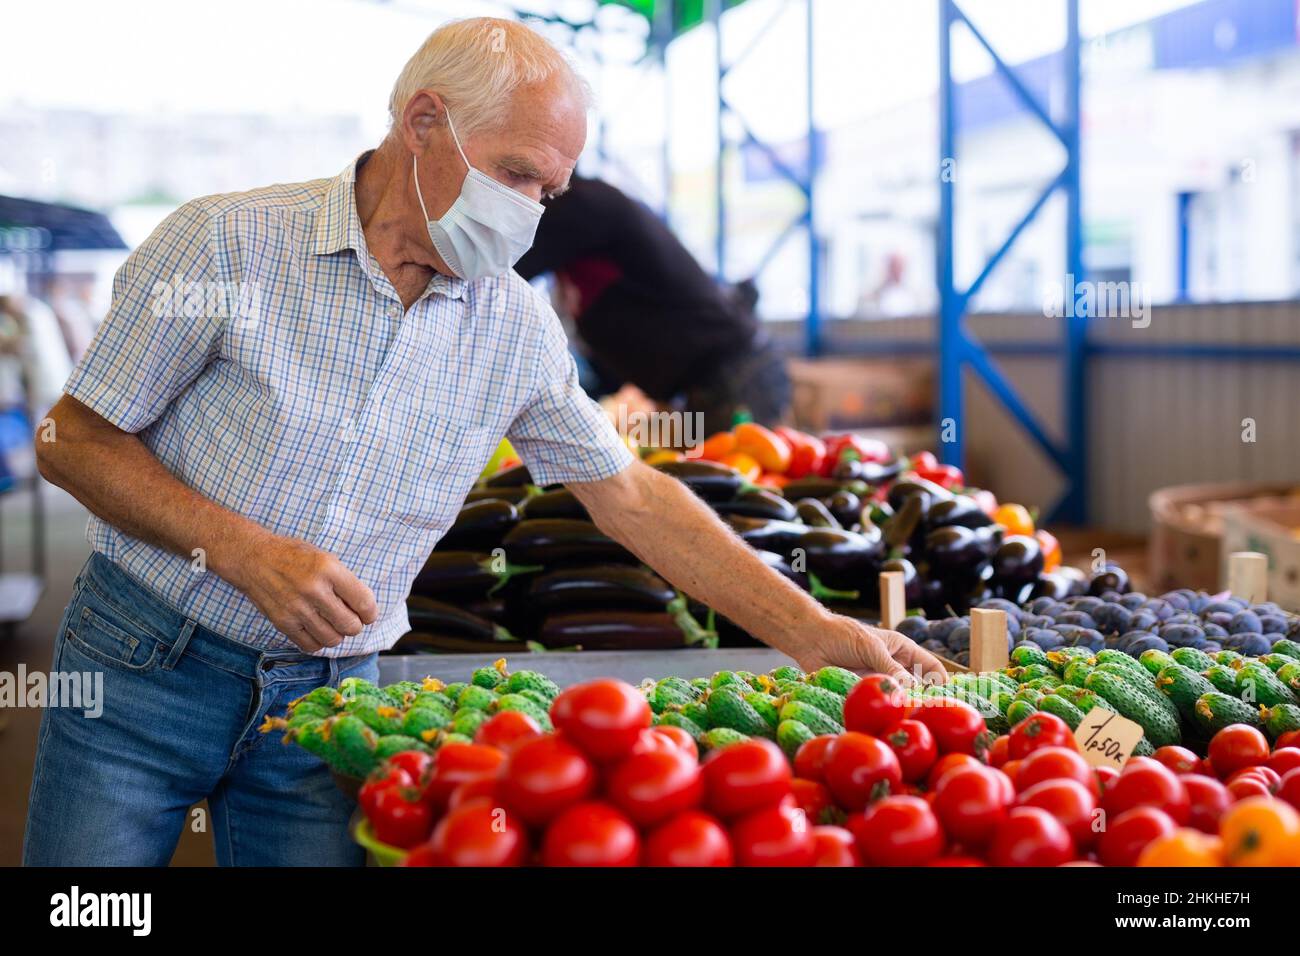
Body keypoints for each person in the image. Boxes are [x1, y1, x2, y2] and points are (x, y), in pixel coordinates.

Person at [26, 17, 944, 867]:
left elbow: (629, 494)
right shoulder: (225, 245)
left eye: (549, 192)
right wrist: (241, 550)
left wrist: (815, 631)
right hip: (146, 663)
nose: (531, 213)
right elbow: (71, 440)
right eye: (515, 175)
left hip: (333, 700)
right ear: (424, 121)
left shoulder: (514, 326)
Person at [514, 175, 789, 436]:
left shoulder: (580, 205)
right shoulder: (582, 225)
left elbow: (499, 268)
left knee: (722, 475)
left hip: (732, 378)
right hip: (700, 384)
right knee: (694, 472)